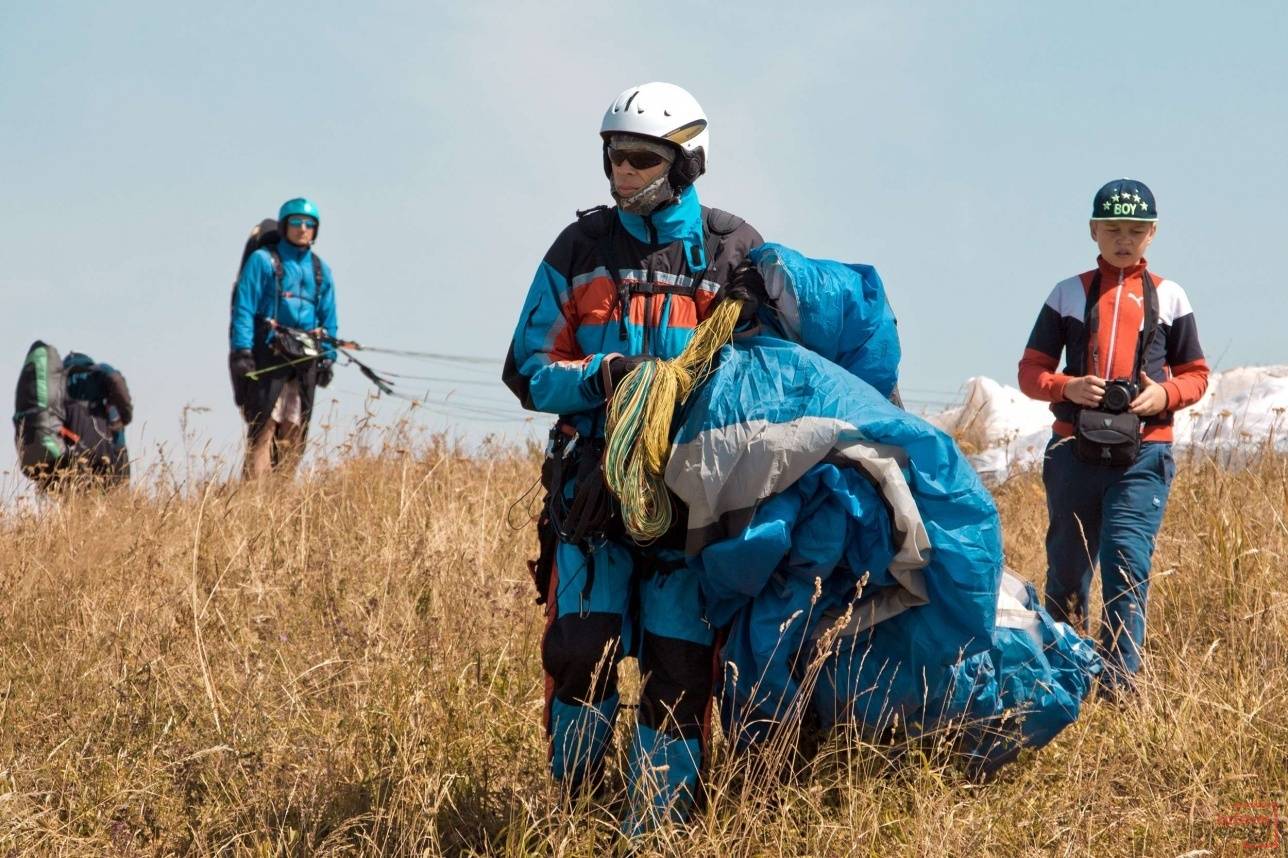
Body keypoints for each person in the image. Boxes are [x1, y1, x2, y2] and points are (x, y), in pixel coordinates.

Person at [502, 82, 764, 830]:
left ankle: (660, 829)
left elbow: (762, 371)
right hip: (592, 490)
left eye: (640, 158)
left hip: (696, 501)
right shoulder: (578, 249)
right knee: (580, 652)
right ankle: (578, 818)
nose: (620, 171)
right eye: (613, 155)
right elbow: (526, 368)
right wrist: (602, 376)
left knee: (680, 671)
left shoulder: (732, 250)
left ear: (686, 163)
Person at [1018, 178, 1208, 696]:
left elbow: (1196, 373)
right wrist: (1068, 386)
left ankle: (1119, 690)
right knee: (1067, 568)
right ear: (1093, 231)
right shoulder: (1067, 293)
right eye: (1113, 228)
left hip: (1145, 454)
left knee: (1128, 564)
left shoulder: (1171, 296)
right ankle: (1061, 681)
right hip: (1072, 451)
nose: (1124, 238)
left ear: (1152, 234)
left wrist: (1163, 396)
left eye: (1135, 229)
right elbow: (1031, 371)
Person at [229, 197, 338, 479]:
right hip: (268, 352)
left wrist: (328, 357)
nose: (303, 229)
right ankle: (256, 496)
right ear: (284, 225)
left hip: (306, 357)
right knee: (264, 425)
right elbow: (244, 307)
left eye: (310, 224)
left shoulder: (320, 270)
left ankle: (281, 498)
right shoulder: (263, 261)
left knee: (294, 429)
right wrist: (241, 351)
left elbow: (329, 318)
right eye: (297, 222)